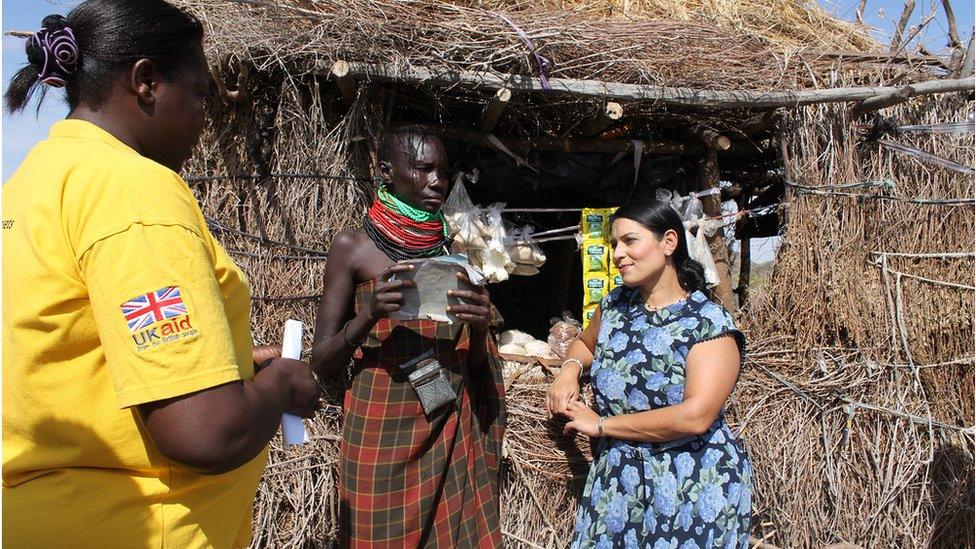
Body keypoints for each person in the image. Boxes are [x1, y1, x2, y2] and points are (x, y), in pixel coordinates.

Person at [2, 2, 320, 548]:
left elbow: (82, 345)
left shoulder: (39, 178)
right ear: (146, 81)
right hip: (139, 524)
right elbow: (205, 432)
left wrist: (236, 361)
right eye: (199, 95)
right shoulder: (133, 192)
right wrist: (282, 383)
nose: (205, 116)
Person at [311, 125, 506, 547]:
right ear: (387, 171)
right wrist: (369, 315)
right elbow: (322, 361)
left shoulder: (451, 254)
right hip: (379, 430)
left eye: (443, 171)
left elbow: (474, 366)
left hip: (447, 421)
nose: (438, 181)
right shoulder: (353, 249)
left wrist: (477, 324)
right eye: (423, 169)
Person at [547, 195, 752, 548]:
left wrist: (600, 425)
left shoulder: (706, 322)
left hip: (690, 484)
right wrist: (568, 370)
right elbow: (585, 345)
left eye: (630, 241)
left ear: (668, 242)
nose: (618, 254)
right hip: (617, 483)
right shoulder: (615, 305)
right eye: (613, 244)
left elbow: (695, 417)